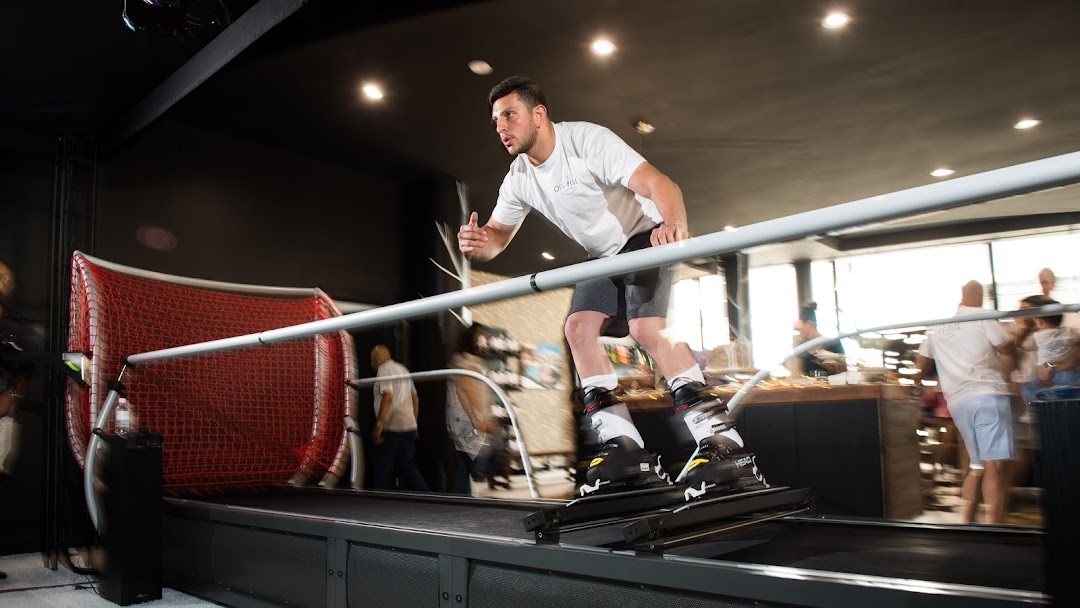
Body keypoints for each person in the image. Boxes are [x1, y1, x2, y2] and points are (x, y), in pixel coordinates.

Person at [457, 76, 765, 498]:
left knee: (646, 331)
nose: (501, 127)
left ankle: (722, 442)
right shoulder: (519, 178)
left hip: (644, 235)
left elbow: (661, 184)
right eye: (495, 121)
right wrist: (480, 243)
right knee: (577, 330)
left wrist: (674, 225)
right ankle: (623, 445)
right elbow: (497, 234)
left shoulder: (585, 140)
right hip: (602, 255)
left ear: (539, 115)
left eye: (509, 115)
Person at [916, 280, 1015, 524]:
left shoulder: (938, 327)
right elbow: (1006, 346)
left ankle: (966, 523)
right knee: (994, 466)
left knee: (976, 465)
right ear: (979, 295)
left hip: (958, 402)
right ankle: (994, 526)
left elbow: (919, 365)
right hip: (987, 394)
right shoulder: (981, 316)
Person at [445, 324, 501, 495]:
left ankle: (463, 496)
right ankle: (465, 493)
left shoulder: (463, 360)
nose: (482, 340)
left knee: (464, 458)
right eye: (479, 336)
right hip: (467, 421)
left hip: (464, 421)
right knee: (471, 457)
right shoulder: (466, 361)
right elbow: (466, 390)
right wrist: (478, 419)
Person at [0, 260, 30, 581]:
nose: (4, 280)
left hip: (4, 414)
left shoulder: (13, 323)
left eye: (6, 276)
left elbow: (25, 369)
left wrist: (12, 397)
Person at [369, 344, 429, 492]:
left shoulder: (384, 369)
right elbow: (415, 398)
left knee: (382, 468)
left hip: (392, 427)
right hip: (408, 426)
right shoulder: (403, 369)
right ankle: (427, 495)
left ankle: (379, 503)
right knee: (408, 466)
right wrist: (414, 423)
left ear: (377, 358)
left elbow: (388, 396)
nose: (372, 364)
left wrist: (379, 426)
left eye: (372, 360)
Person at [1030, 298, 1080, 388]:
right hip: (1073, 373)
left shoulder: (1037, 336)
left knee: (1029, 387)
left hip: (1047, 373)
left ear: (1040, 321)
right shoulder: (1069, 331)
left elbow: (1022, 345)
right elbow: (1077, 340)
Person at [792, 301, 846, 377]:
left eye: (800, 329)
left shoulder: (833, 343)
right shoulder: (801, 348)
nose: (800, 333)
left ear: (808, 324)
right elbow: (796, 375)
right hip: (808, 388)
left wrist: (832, 359)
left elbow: (844, 371)